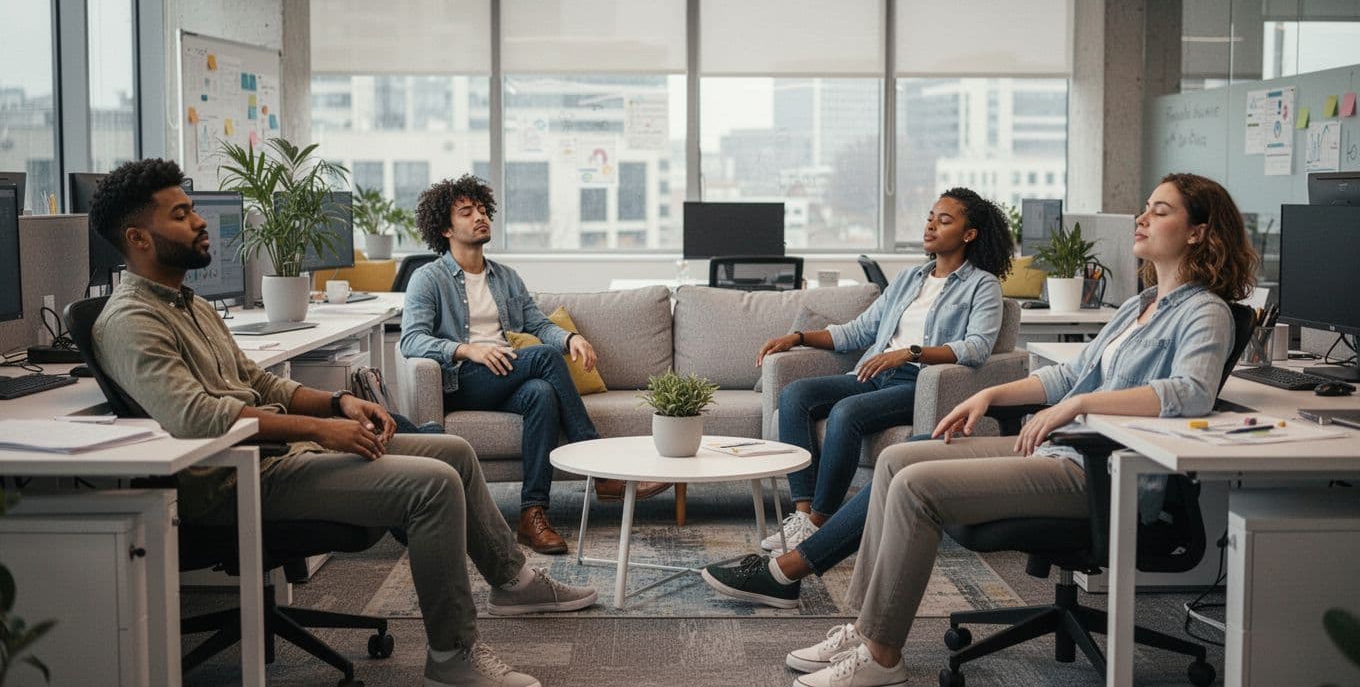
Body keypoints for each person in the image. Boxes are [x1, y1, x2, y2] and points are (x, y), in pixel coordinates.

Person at [89, 159, 597, 687]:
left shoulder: (189, 305)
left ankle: (513, 581)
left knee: (455, 451)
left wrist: (339, 403)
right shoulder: (132, 320)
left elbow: (259, 383)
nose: (199, 222)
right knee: (434, 486)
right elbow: (195, 417)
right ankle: (453, 656)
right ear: (138, 238)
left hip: (280, 456)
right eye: (180, 215)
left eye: (192, 209)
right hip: (234, 477)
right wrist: (318, 429)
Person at [781, 173, 1257, 687]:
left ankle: (882, 654)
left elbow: (1190, 392)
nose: (1141, 218)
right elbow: (1071, 374)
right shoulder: (1137, 307)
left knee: (916, 487)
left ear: (1198, 232)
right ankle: (866, 627)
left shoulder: (1206, 312)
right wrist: (988, 395)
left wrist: (1079, 406)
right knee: (898, 460)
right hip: (1058, 452)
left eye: (1160, 211)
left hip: (1103, 471)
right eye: (1146, 207)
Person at [702, 188, 1014, 609]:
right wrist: (797, 337)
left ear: (970, 234)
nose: (930, 225)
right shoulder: (910, 279)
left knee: (847, 412)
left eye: (944, 220)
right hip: (876, 372)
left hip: (921, 382)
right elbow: (859, 331)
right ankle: (803, 514)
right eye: (930, 216)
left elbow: (977, 347)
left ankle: (821, 519)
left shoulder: (982, 286)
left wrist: (911, 353)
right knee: (796, 395)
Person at [399, 175, 668, 555]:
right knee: (543, 356)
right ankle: (601, 469)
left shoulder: (505, 277)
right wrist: (466, 350)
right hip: (463, 380)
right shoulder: (428, 279)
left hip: (505, 377)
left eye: (482, 210)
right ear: (445, 228)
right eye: (466, 212)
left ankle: (532, 514)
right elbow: (411, 340)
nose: (479, 217)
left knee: (541, 393)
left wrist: (570, 339)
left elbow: (538, 325)